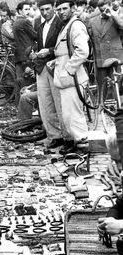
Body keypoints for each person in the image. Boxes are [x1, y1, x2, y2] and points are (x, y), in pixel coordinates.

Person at [49, 0, 89, 154]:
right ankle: (76, 142)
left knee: (75, 115)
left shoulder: (76, 25)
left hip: (74, 79)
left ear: (72, 8)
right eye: (58, 9)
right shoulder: (66, 25)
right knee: (68, 116)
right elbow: (65, 51)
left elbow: (83, 52)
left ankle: (83, 147)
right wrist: (56, 61)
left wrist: (68, 69)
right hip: (66, 80)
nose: (61, 12)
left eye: (64, 8)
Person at [35, 0, 69, 149]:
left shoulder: (61, 23)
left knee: (60, 103)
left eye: (47, 9)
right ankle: (54, 136)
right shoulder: (41, 26)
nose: (45, 12)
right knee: (45, 104)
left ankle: (67, 136)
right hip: (42, 68)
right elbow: (40, 45)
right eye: (42, 10)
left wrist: (48, 51)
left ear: (53, 8)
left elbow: (63, 47)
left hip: (56, 66)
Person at [87, 0, 123, 101]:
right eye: (102, 9)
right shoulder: (92, 21)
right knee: (101, 85)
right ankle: (102, 108)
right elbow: (89, 37)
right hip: (100, 57)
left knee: (115, 84)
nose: (104, 11)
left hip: (115, 56)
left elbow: (121, 26)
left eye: (106, 8)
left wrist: (113, 15)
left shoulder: (116, 18)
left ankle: (116, 106)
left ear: (111, 6)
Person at [13, 1, 37, 79]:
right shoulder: (25, 21)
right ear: (20, 11)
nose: (28, 11)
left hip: (19, 55)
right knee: (29, 81)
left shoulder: (16, 22)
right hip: (27, 54)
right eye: (26, 9)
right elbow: (35, 36)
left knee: (20, 80)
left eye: (29, 9)